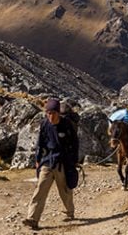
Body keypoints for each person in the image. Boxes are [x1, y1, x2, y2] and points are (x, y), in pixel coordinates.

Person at [23, 98, 79, 230]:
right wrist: (37, 159)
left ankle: (69, 212)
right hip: (48, 161)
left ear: (58, 113)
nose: (50, 116)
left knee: (65, 190)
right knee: (40, 189)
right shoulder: (44, 124)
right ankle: (33, 218)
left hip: (63, 162)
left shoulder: (67, 125)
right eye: (48, 113)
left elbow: (75, 143)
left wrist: (74, 161)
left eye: (53, 113)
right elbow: (40, 143)